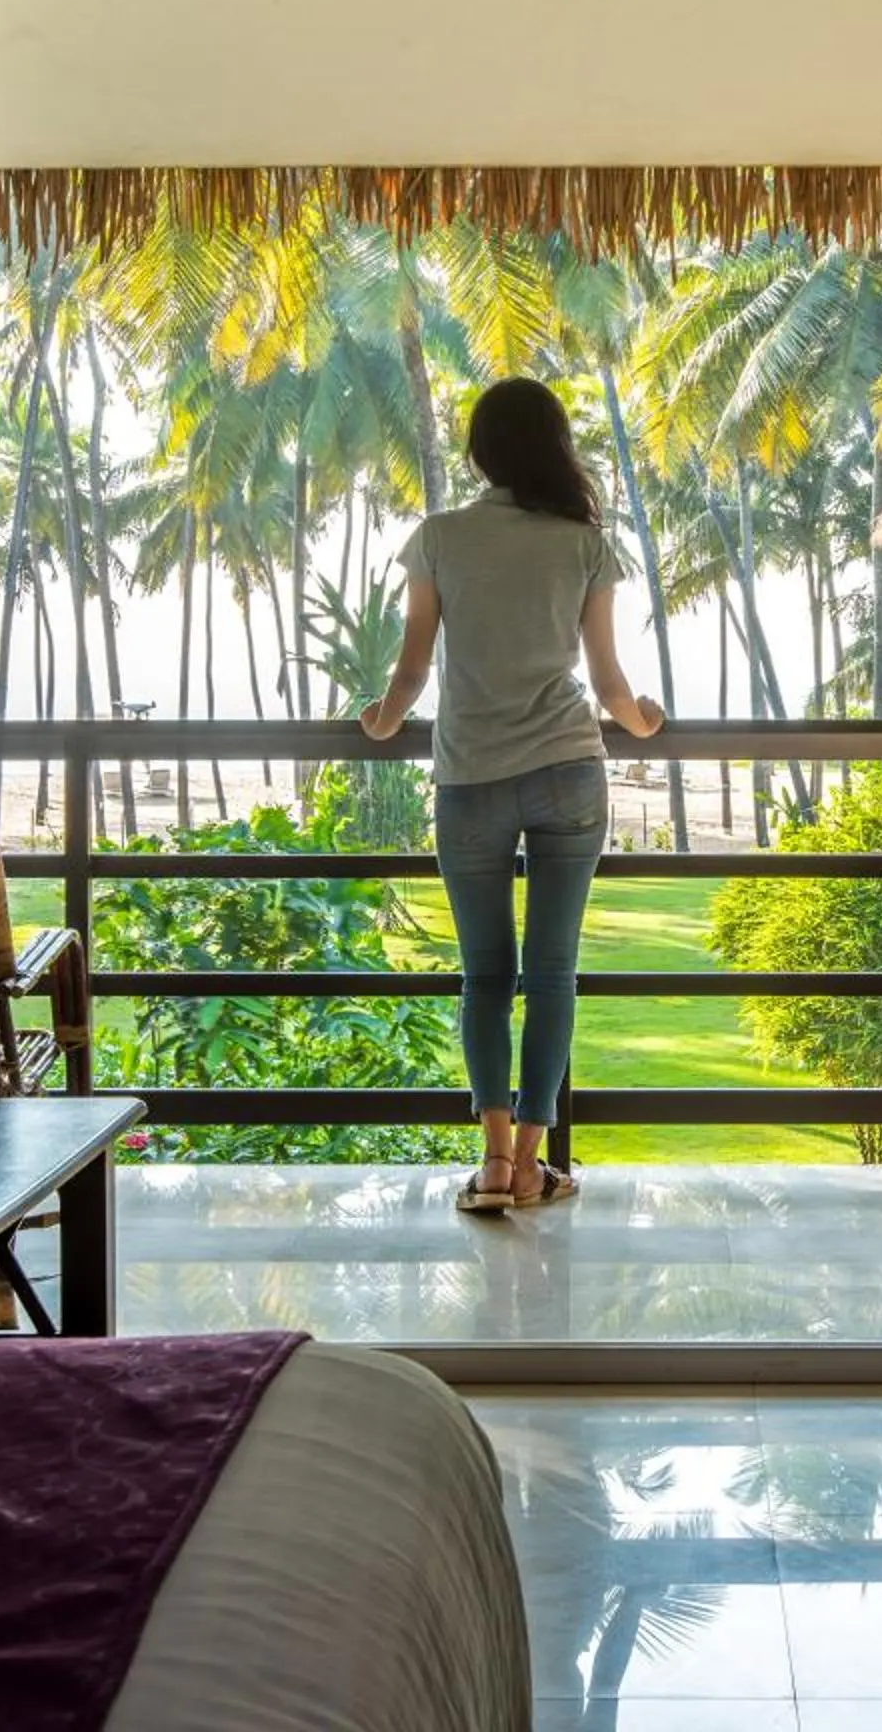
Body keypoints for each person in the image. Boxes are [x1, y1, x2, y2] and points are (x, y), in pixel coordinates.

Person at [358, 377, 664, 1211]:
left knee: (485, 977)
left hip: (470, 779)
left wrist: (383, 723)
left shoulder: (440, 538)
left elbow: (414, 666)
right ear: (556, 448)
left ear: (480, 453)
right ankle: (534, 1164)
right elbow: (606, 683)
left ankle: (492, 1165)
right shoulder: (583, 542)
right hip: (570, 771)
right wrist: (643, 722)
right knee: (553, 973)